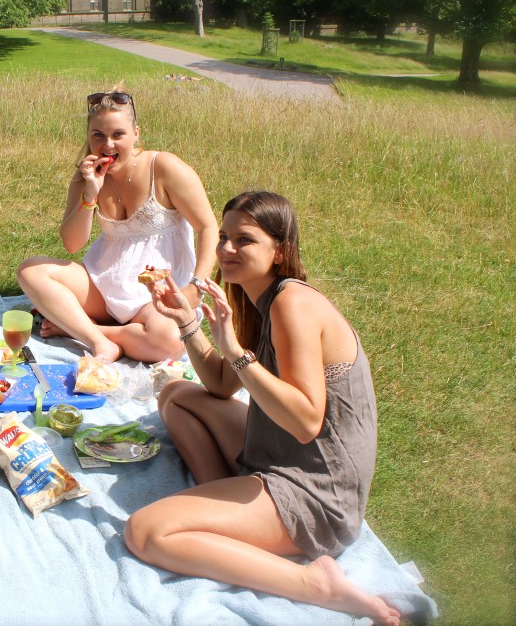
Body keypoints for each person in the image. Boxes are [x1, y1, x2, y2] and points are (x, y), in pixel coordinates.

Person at [124, 191, 400, 625]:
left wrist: (234, 349)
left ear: (281, 249)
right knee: (177, 395)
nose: (228, 249)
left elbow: (307, 422)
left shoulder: (294, 304)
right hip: (274, 456)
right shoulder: (257, 301)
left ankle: (317, 584)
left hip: (316, 494)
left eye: (245, 240)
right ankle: (224, 513)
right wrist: (186, 322)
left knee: (144, 531)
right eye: (225, 237)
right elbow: (217, 384)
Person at [17, 90, 218, 363]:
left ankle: (85, 329)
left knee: (170, 342)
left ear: (136, 133)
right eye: (97, 135)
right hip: (103, 286)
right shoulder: (85, 177)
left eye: (118, 135)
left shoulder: (164, 167)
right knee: (31, 270)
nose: (107, 144)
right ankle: (100, 342)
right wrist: (90, 193)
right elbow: (72, 243)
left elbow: (208, 228)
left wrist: (196, 286)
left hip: (154, 293)